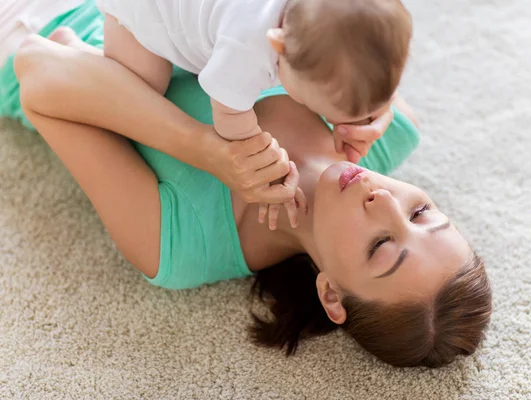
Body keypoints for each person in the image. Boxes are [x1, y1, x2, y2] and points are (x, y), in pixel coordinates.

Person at [1, 1, 492, 368]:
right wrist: (373, 106)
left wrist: (207, 149)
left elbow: (37, 70)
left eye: (381, 245)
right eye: (422, 213)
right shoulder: (389, 130)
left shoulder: (183, 245)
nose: (383, 199)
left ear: (332, 295)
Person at [96, 0, 412, 228]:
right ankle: (82, 54)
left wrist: (366, 107)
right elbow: (229, 114)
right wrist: (262, 160)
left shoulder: (303, 23)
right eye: (313, 103)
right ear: (278, 46)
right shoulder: (247, 48)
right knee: (141, 88)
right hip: (147, 12)